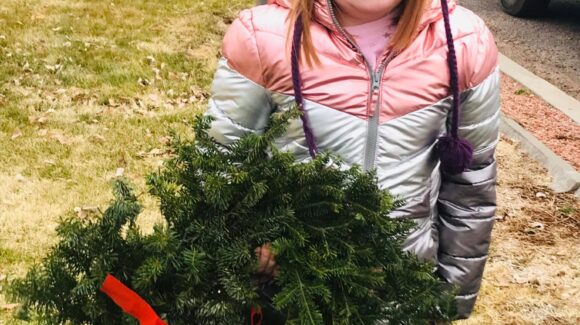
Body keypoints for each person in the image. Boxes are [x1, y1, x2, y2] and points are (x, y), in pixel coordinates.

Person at [205, 0, 499, 320]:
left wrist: (448, 298)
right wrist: (245, 251)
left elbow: (471, 183)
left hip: (400, 291)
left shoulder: (464, 43)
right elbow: (221, 166)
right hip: (291, 291)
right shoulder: (263, 36)